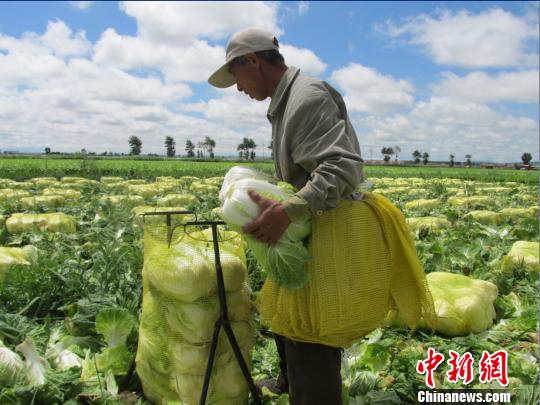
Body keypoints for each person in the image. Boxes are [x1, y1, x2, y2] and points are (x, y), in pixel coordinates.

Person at [208, 27, 436, 405]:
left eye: (235, 75)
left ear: (251, 61)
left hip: (329, 227)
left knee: (312, 335)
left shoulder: (306, 98)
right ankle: (288, 382)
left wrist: (288, 210)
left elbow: (342, 168)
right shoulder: (286, 101)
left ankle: (311, 394)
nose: (237, 87)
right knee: (289, 314)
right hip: (309, 225)